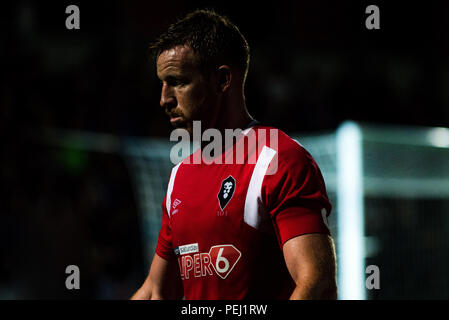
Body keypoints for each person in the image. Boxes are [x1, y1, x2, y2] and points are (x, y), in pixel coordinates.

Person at [131, 9, 337, 300]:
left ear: (222, 80)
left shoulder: (279, 160)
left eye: (178, 81)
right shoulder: (180, 176)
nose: (164, 99)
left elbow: (316, 284)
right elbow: (155, 291)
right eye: (162, 84)